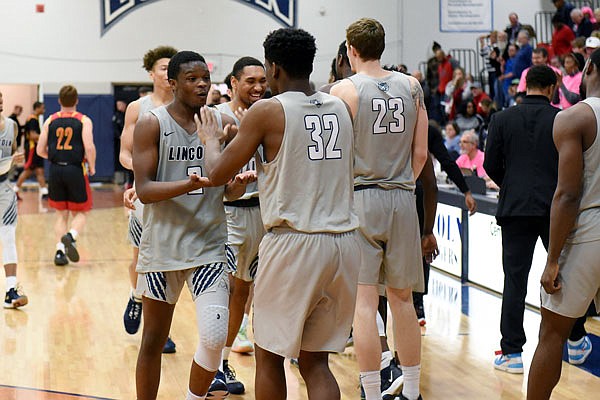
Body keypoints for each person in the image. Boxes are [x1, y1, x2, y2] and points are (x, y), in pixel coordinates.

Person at [197, 28, 361, 400]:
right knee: (316, 362)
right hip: (344, 244)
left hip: (294, 243)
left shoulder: (268, 110)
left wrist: (210, 140)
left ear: (273, 68)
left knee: (269, 357)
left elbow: (217, 175)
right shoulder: (340, 106)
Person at [132, 50, 246, 400]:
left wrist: (233, 187)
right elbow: (145, 190)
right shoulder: (152, 122)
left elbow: (221, 182)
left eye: (205, 79)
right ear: (173, 82)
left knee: (213, 337)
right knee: (153, 339)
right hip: (164, 245)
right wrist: (189, 184)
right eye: (192, 79)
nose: (201, 85)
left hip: (210, 243)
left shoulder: (215, 122)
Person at [331, 18, 428, 400]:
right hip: (403, 196)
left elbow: (334, 157)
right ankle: (413, 390)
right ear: (382, 47)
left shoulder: (344, 90)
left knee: (365, 302)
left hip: (360, 197)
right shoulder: (411, 85)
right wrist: (402, 182)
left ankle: (371, 392)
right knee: (403, 300)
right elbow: (420, 153)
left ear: (350, 49)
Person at [526, 50, 600, 400]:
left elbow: (567, 195)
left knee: (552, 334)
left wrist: (553, 258)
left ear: (588, 68)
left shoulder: (575, 117)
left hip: (589, 231)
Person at [483, 65, 560, 374]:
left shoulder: (501, 118)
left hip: (515, 209)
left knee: (514, 281)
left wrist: (512, 184)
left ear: (525, 85)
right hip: (554, 208)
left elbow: (490, 165)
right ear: (553, 88)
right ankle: (571, 339)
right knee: (562, 274)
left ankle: (512, 352)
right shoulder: (561, 118)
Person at [119, 45, 179, 354]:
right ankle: (136, 295)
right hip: (144, 193)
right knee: (140, 260)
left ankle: (161, 331)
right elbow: (125, 153)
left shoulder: (186, 107)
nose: (168, 73)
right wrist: (141, 171)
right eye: (163, 67)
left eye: (172, 67)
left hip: (177, 197)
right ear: (151, 73)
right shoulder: (137, 108)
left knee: (164, 264)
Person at [214, 55, 267, 395]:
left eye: (263, 80)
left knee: (252, 290)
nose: (258, 87)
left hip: (264, 212)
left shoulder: (270, 114)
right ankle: (216, 363)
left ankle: (234, 358)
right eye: (250, 81)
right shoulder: (218, 117)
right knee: (228, 290)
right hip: (230, 212)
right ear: (233, 83)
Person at [36, 85, 96, 266]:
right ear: (76, 100)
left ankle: (59, 253)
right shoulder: (84, 120)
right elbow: (90, 147)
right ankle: (71, 236)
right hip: (75, 169)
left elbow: (40, 150)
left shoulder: (50, 120)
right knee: (83, 211)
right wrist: (92, 166)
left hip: (55, 169)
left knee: (61, 215)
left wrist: (54, 158)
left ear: (59, 101)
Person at [0, 92, 27, 309]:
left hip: (4, 188)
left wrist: (16, 159)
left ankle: (10, 290)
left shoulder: (11, 125)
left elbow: (12, 156)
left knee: (8, 236)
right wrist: (10, 161)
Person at [15, 101, 48, 200]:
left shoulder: (34, 119)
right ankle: (14, 190)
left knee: (39, 170)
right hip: (32, 149)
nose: (44, 110)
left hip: (35, 149)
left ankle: (45, 192)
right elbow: (33, 136)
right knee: (28, 170)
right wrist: (45, 137)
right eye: (42, 108)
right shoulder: (32, 119)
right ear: (37, 108)